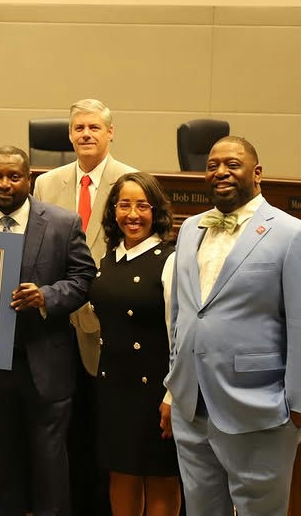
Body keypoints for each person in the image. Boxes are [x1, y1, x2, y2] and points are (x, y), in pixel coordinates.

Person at [166, 136, 301, 516]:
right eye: (212, 165)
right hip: (192, 406)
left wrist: (299, 407)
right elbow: (183, 312)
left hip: (260, 407)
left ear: (257, 173)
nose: (220, 172)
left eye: (232, 164)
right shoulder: (190, 228)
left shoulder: (293, 234)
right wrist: (176, 380)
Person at [0, 146, 95, 516]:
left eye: (14, 176)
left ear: (29, 179)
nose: (4, 184)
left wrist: (46, 297)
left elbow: (83, 278)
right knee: (2, 458)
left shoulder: (62, 223)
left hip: (46, 362)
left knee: (50, 461)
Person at [32, 98, 134, 515]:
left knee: (101, 426)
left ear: (111, 133)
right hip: (55, 323)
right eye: (79, 128)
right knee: (61, 429)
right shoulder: (46, 183)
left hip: (107, 325)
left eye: (94, 127)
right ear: (70, 135)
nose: (86, 134)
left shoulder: (130, 181)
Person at [90, 172, 181, 516]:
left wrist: (173, 395)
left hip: (155, 390)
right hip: (114, 385)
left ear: (156, 211)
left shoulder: (169, 260)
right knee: (121, 472)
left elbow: (179, 334)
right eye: (124, 205)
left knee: (160, 476)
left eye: (142, 206)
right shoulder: (110, 257)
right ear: (113, 210)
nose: (132, 214)